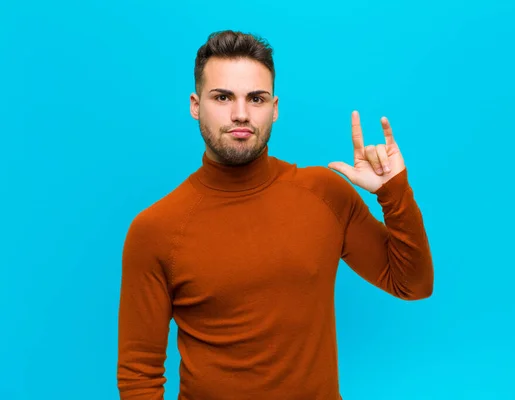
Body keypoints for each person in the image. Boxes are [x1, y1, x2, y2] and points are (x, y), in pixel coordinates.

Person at [117, 30, 434, 400]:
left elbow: (412, 284)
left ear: (275, 107)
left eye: (256, 98)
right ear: (195, 104)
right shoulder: (155, 229)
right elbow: (140, 374)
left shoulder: (325, 194)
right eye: (222, 97)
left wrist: (393, 191)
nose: (240, 114)